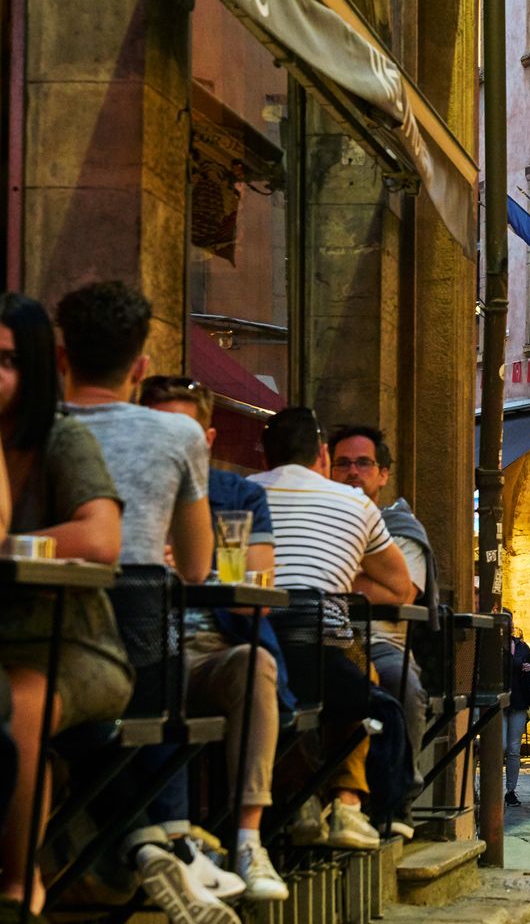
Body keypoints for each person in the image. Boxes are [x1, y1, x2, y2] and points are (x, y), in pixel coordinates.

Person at [55, 281, 248, 915]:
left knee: (82, 721)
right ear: (140, 367)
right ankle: (166, 841)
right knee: (157, 693)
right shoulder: (179, 436)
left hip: (47, 628)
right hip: (139, 632)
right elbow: (195, 566)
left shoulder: (35, 427)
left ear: (61, 358)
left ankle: (152, 844)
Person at [0, 292, 131, 917]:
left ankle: (20, 883)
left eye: (6, 360)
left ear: (37, 366)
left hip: (76, 648)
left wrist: (11, 546)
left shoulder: (61, 438)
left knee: (20, 705)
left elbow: (101, 538)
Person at [139, 376, 291, 900]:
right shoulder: (130, 490)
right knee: (159, 668)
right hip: (147, 645)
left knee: (256, 665)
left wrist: (194, 566)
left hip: (215, 647)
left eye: (181, 431)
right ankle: (175, 844)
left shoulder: (238, 495)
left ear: (205, 438)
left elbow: (258, 589)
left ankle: (249, 842)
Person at [252, 407, 413, 850]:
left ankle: (297, 799)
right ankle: (347, 804)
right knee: (365, 683)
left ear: (265, 458)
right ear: (322, 455)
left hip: (253, 636)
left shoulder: (240, 492)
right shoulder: (356, 504)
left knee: (285, 694)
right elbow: (401, 589)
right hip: (326, 635)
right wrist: (338, 581)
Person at [328, 425, 435, 837]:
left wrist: (337, 572)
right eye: (343, 463)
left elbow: (404, 592)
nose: (352, 471)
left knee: (401, 683)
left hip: (381, 643)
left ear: (383, 473)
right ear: (327, 467)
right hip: (324, 637)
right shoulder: (319, 514)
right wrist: (368, 575)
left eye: (363, 463)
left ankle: (397, 802)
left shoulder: (400, 525)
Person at [503, 624, 530, 807]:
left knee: (513, 749)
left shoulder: (521, 647)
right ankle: (491, 788)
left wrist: (528, 668)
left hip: (518, 702)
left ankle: (510, 791)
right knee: (499, 746)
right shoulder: (492, 646)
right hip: (498, 705)